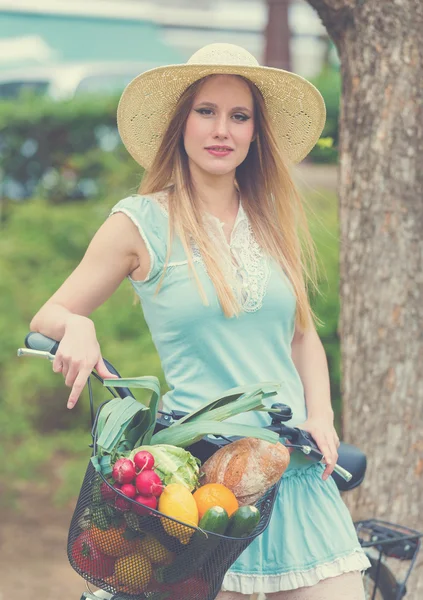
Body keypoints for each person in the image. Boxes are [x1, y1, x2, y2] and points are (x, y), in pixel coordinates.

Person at [30, 43, 370, 599]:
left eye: (240, 117)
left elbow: (303, 334)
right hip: (204, 488)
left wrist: (323, 416)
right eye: (206, 111)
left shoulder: (271, 218)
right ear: (180, 123)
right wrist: (79, 327)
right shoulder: (140, 221)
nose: (222, 130)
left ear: (255, 133)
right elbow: (52, 314)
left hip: (296, 474)